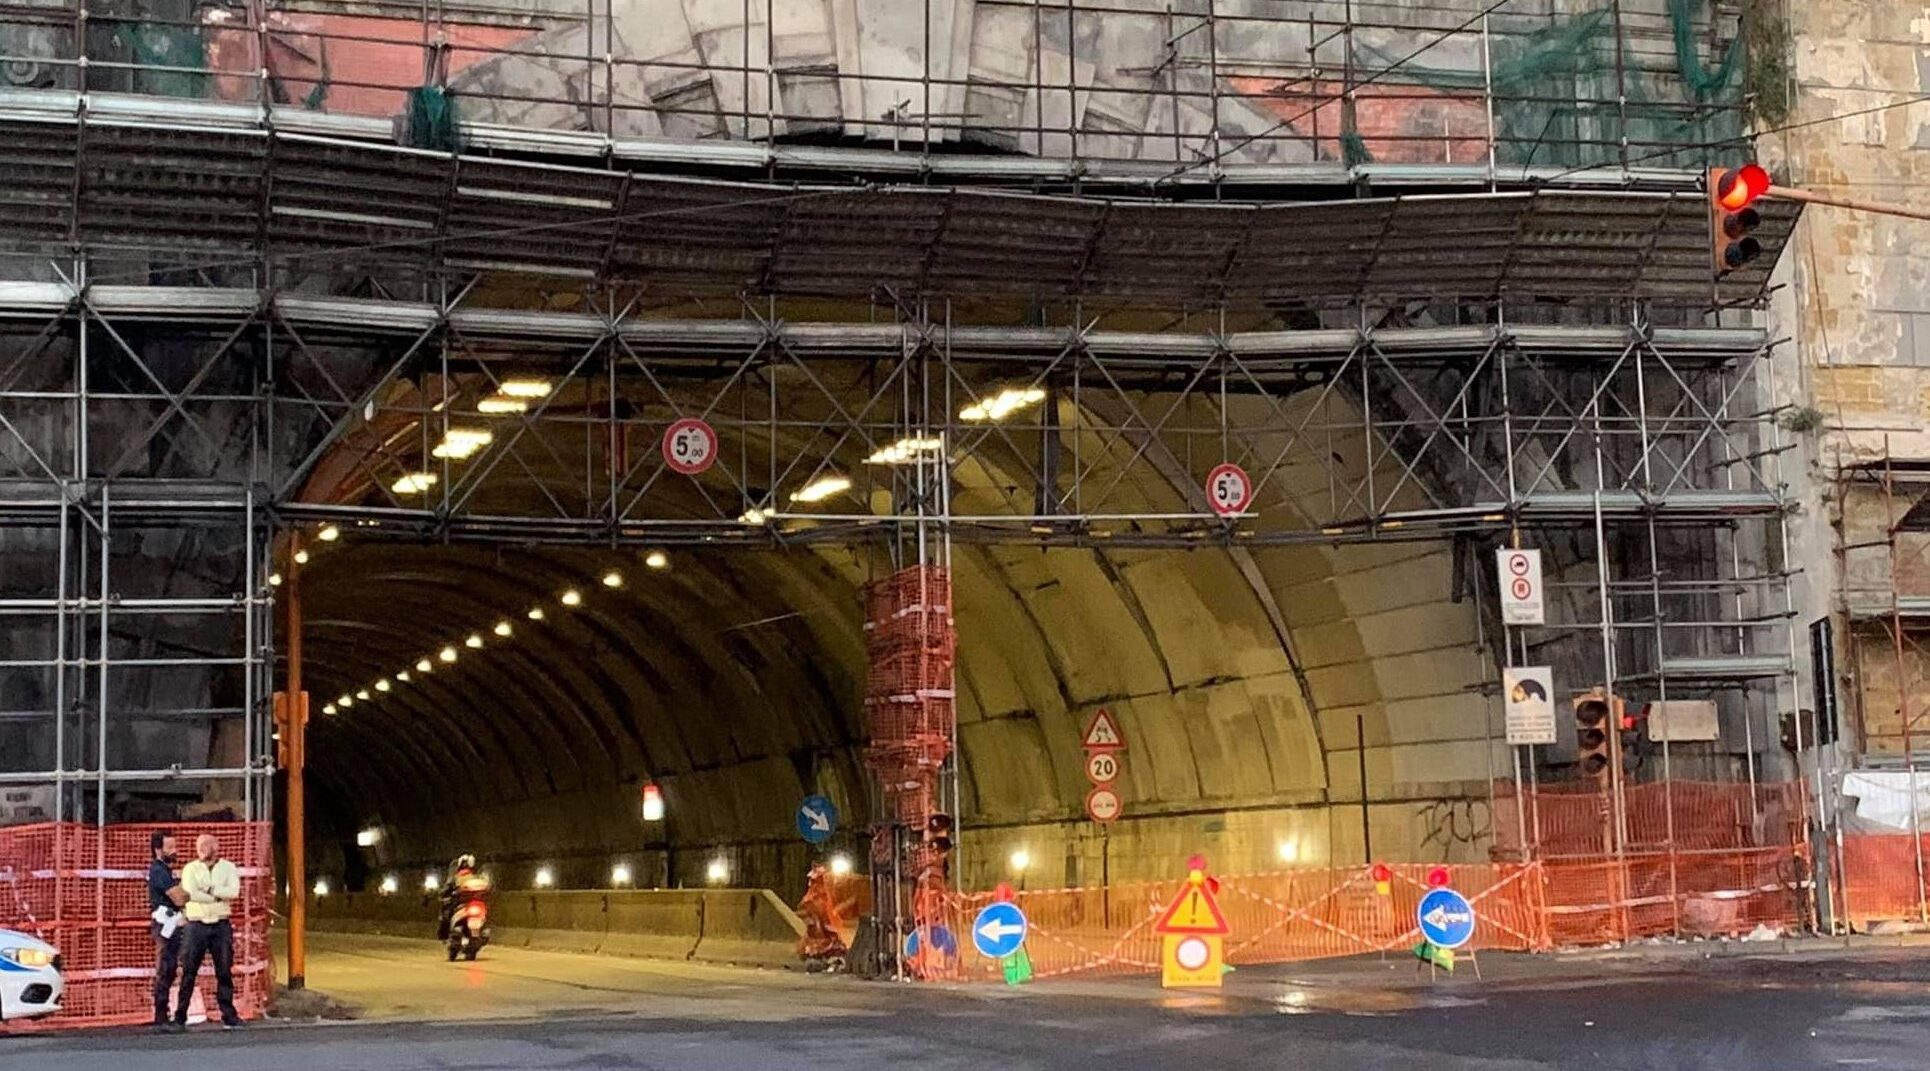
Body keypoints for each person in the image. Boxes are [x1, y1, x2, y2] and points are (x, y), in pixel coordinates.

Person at [174, 833, 243, 1030]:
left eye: (206, 845)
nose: (201, 849)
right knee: (188, 971)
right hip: (196, 925)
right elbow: (190, 893)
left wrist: (210, 890)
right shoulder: (190, 869)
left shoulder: (229, 868)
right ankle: (180, 1015)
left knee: (224, 971)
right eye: (199, 845)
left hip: (221, 925)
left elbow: (233, 892)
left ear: (216, 847)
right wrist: (218, 896)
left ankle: (229, 1015)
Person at [147, 831, 186, 1032]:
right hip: (165, 924)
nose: (174, 851)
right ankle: (160, 1015)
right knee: (166, 967)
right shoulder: (159, 871)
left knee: (170, 968)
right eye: (170, 847)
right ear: (158, 850)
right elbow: (178, 898)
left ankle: (164, 1013)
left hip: (170, 923)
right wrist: (191, 892)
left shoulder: (166, 870)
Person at [437, 854, 477, 941]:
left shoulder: (457, 877)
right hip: (470, 903)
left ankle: (444, 936)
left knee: (446, 914)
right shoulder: (475, 877)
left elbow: (446, 889)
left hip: (462, 903)